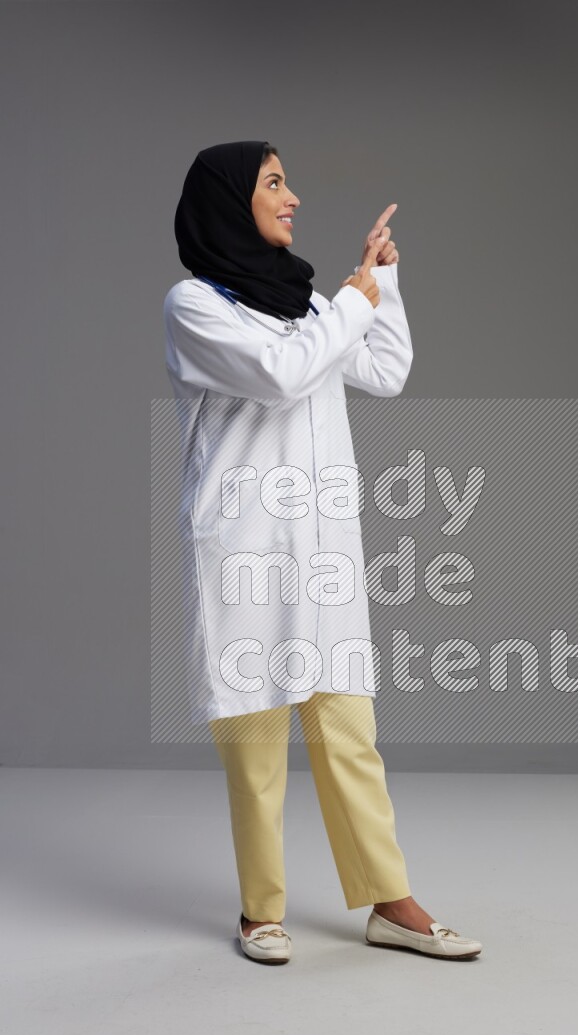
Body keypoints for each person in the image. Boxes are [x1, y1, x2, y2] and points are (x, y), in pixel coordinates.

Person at [163, 140, 481, 964]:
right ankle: (259, 911)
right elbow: (281, 375)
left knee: (349, 729)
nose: (293, 196)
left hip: (322, 548)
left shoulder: (306, 306)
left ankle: (390, 902)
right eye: (275, 183)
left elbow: (386, 367)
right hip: (244, 549)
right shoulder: (196, 307)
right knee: (257, 738)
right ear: (232, 202)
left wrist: (382, 279)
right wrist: (350, 298)